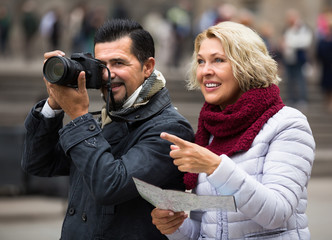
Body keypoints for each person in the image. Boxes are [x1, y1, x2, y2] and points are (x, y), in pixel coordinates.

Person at [21, 19, 194, 239]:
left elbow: (110, 185)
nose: (108, 74)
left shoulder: (170, 129)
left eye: (119, 63)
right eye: (101, 65)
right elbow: (38, 163)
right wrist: (52, 106)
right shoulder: (107, 118)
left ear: (148, 67)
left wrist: (78, 116)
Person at [151, 21, 315, 239]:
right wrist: (173, 226)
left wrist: (215, 166)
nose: (205, 71)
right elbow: (205, 231)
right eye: (201, 61)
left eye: (218, 60)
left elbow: (277, 212)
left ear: (247, 65)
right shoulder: (209, 130)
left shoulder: (287, 123)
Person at [281, 9, 313, 110]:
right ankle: (292, 98)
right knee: (290, 79)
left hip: (299, 58)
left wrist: (289, 43)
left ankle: (302, 99)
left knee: (300, 78)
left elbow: (305, 42)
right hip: (289, 58)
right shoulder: (287, 28)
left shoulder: (302, 28)